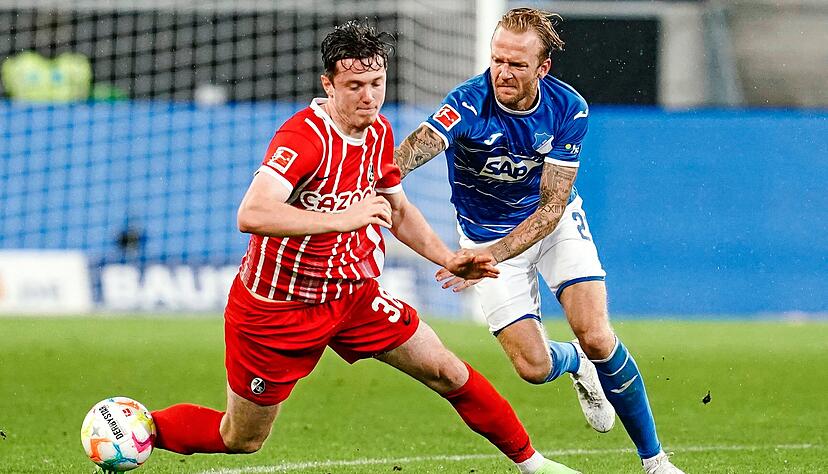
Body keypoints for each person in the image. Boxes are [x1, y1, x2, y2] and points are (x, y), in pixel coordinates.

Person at [148, 20, 580, 474]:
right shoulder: (303, 138)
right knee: (241, 438)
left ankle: (535, 465)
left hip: (353, 296)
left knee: (447, 371)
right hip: (278, 309)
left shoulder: (379, 133)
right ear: (328, 85)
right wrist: (341, 219)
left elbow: (398, 209)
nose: (368, 96)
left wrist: (449, 258)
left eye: (376, 83)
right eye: (354, 85)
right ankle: (140, 427)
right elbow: (251, 213)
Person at [394, 8, 684, 474]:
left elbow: (552, 207)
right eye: (497, 60)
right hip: (483, 235)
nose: (502, 73)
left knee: (596, 333)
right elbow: (418, 147)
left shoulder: (568, 108)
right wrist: (374, 178)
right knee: (531, 368)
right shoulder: (468, 102)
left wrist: (486, 257)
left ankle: (655, 461)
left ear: (542, 68)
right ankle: (574, 364)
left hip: (550, 228)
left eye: (517, 64)